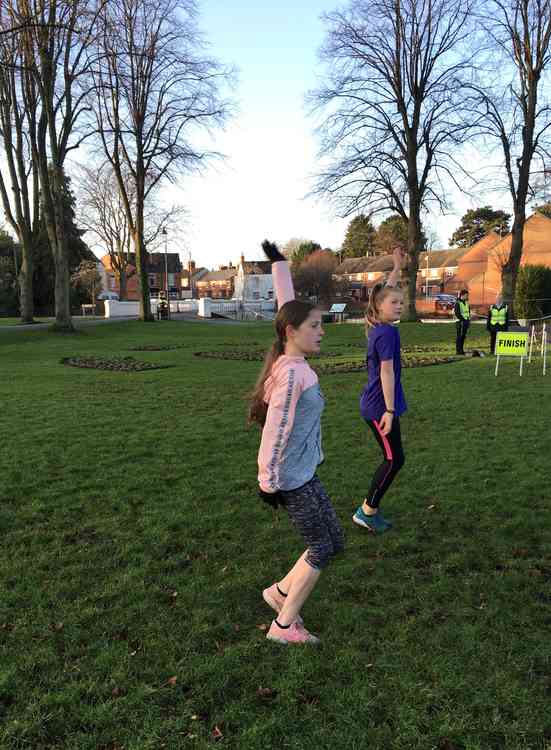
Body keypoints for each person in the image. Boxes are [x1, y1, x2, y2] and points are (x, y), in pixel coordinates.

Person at [248, 240, 344, 645]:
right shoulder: (291, 376)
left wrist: (281, 267)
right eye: (315, 327)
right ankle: (284, 625)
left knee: (335, 540)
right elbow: (276, 429)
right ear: (292, 333)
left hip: (305, 471)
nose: (321, 332)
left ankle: (280, 592)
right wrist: (267, 481)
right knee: (321, 546)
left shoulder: (293, 361)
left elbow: (287, 309)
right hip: (291, 478)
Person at [352, 248, 407, 533]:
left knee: (395, 457)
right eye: (394, 302)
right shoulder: (385, 333)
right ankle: (367, 511)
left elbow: (387, 289)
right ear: (380, 306)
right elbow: (386, 371)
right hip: (378, 407)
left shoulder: (380, 323)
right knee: (393, 459)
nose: (399, 305)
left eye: (401, 302)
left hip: (381, 404)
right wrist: (389, 410)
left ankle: (369, 508)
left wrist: (396, 267)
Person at [454, 289, 471, 355]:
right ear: (462, 295)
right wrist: (464, 320)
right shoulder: (458, 303)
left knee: (463, 336)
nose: (467, 297)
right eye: (466, 295)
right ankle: (458, 351)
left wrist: (468, 320)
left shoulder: (466, 303)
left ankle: (461, 350)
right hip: (460, 322)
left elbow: (468, 312)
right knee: (459, 337)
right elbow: (457, 313)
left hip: (466, 322)